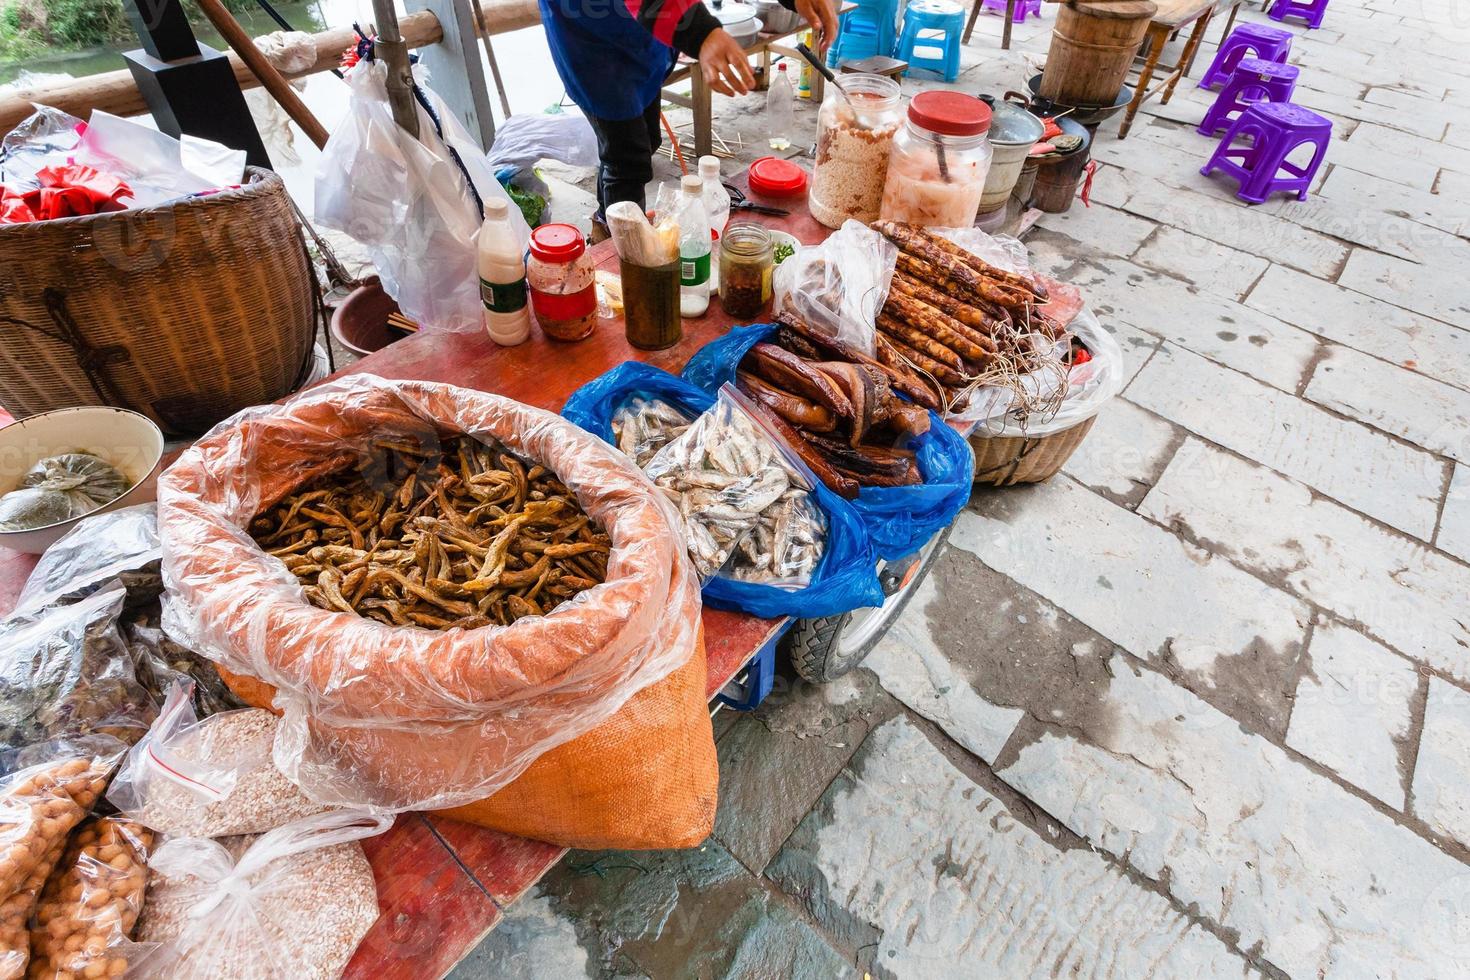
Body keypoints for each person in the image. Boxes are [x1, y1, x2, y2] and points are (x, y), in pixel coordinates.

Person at [541, 0, 838, 223]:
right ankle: (621, 262)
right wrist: (700, 33)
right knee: (627, 159)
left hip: (646, 29)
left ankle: (604, 221)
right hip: (592, 38)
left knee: (644, 142)